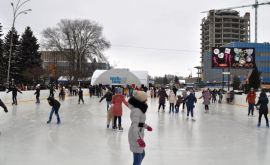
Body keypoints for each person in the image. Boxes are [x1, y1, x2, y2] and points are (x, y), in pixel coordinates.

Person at [128, 90, 152, 165]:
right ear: (141, 101)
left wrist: (146, 126)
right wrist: (139, 140)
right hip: (136, 136)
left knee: (142, 154)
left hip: (138, 134)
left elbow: (139, 123)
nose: (147, 100)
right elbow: (134, 126)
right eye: (145, 99)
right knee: (137, 160)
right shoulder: (137, 110)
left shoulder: (139, 109)